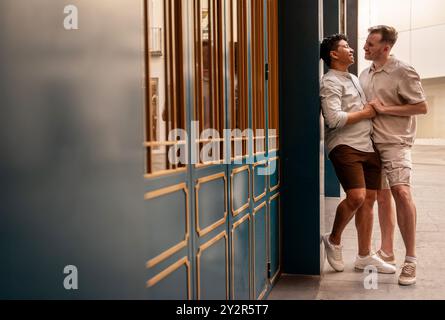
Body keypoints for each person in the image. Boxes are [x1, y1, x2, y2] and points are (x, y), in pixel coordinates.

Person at [319, 34, 396, 274]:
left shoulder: (353, 77)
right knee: (357, 197)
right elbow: (332, 119)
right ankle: (333, 239)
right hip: (345, 145)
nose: (352, 49)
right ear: (333, 54)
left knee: (369, 201)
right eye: (345, 47)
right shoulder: (330, 81)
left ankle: (364, 256)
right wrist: (365, 113)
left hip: (367, 146)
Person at [359, 25, 428, 285]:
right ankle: (386, 251)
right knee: (382, 198)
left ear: (386, 48)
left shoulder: (403, 70)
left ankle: (411, 261)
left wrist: (385, 109)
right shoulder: (365, 75)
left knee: (402, 192)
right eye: (366, 43)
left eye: (371, 44)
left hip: (396, 144)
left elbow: (421, 106)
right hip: (371, 145)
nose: (365, 47)